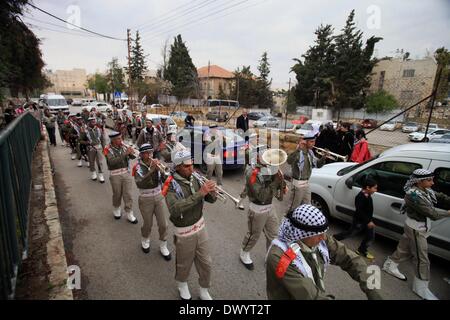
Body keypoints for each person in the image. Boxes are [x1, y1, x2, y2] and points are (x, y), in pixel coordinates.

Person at [266, 204, 383, 300]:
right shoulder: (280, 257)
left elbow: (352, 259)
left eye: (324, 233)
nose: (323, 237)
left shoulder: (319, 240)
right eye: (318, 234)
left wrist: (374, 291)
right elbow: (309, 295)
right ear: (301, 234)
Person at [382, 169, 450, 300]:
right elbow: (432, 214)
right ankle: (421, 287)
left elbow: (440, 196)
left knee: (403, 249)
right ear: (419, 181)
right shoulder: (413, 195)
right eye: (429, 180)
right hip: (416, 229)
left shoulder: (425, 190)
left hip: (414, 227)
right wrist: (448, 213)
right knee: (422, 259)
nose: (433, 183)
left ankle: (390, 265)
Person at [163, 149, 217, 300]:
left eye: (192, 165)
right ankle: (182, 284)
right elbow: (174, 209)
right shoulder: (170, 184)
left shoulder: (195, 177)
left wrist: (211, 192)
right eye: (186, 166)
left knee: (206, 262)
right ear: (178, 167)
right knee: (184, 263)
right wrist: (200, 193)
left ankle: (204, 288)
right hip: (184, 231)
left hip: (200, 227)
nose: (191, 168)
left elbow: (210, 200)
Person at [239, 147, 287, 270]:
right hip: (257, 209)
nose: (270, 159)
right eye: (265, 156)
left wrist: (282, 185)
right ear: (257, 157)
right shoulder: (252, 173)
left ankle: (270, 257)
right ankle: (244, 252)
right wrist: (276, 182)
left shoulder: (270, 168)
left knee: (273, 234)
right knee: (253, 235)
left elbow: (275, 190)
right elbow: (261, 196)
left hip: (270, 207)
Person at [132, 143, 171, 260]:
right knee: (147, 223)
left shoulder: (157, 164)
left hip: (158, 196)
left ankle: (163, 244)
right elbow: (140, 182)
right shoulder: (137, 167)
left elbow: (165, 179)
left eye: (151, 152)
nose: (149, 155)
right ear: (142, 154)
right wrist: (151, 171)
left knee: (163, 223)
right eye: (146, 153)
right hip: (145, 198)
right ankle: (145, 239)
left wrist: (163, 171)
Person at [334, 177, 378, 259]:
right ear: (368, 187)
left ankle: (362, 250)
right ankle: (333, 239)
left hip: (367, 221)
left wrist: (369, 220)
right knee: (350, 233)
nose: (376, 190)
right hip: (360, 222)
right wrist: (368, 221)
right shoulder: (360, 197)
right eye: (374, 188)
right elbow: (359, 211)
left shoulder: (367, 195)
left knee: (370, 236)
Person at [286, 132, 327, 211]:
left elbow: (318, 165)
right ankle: (288, 221)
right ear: (305, 142)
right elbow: (289, 161)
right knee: (293, 207)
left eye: (314, 141)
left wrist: (323, 157)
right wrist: (298, 150)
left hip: (307, 183)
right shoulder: (298, 152)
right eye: (311, 141)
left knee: (307, 206)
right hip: (298, 184)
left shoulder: (310, 153)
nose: (313, 144)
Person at [104, 131, 138, 223]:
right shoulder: (107, 149)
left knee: (128, 194)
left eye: (121, 138)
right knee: (117, 194)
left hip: (126, 173)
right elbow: (111, 162)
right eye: (119, 139)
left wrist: (131, 152)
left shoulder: (123, 146)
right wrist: (125, 154)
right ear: (113, 140)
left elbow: (132, 157)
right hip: (115, 174)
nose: (121, 140)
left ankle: (129, 212)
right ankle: (116, 208)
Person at [86, 117, 105, 183]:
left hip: (99, 147)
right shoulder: (85, 130)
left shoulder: (99, 129)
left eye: (94, 121)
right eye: (92, 121)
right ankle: (93, 173)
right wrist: (87, 143)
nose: (94, 122)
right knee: (91, 161)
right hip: (91, 148)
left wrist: (104, 147)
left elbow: (102, 139)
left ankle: (101, 174)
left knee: (100, 162)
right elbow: (80, 140)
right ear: (89, 122)